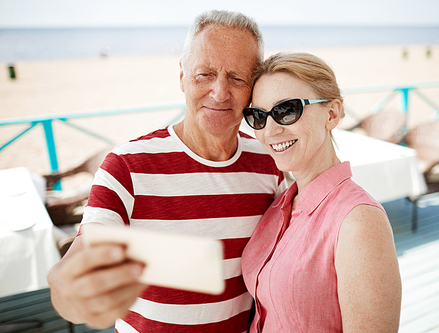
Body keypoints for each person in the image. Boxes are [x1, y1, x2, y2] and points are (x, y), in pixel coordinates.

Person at [47, 10, 286, 332]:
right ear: (182, 76)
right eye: (205, 74)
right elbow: (83, 255)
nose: (219, 92)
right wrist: (70, 290)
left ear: (254, 86)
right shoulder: (126, 165)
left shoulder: (272, 163)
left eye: (237, 77)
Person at [241, 52, 402, 332]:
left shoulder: (358, 222)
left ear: (332, 114)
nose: (270, 130)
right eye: (258, 116)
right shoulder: (280, 205)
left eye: (287, 110)